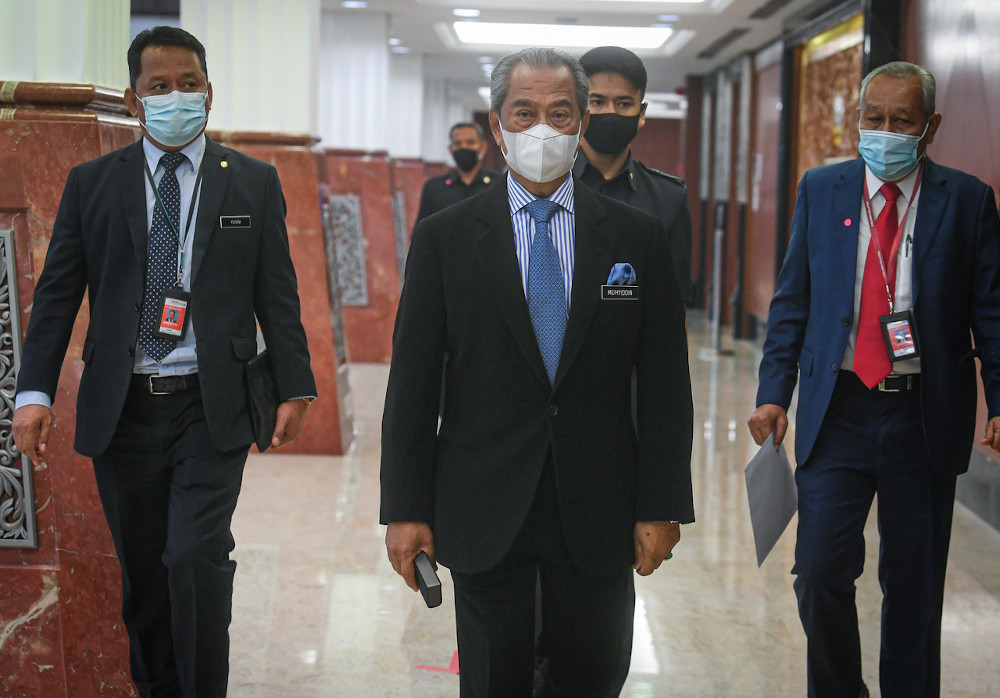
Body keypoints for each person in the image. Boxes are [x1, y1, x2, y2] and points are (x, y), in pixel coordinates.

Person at [12, 26, 316, 698]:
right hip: (123, 407)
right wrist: (32, 392)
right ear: (132, 98)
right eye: (159, 87)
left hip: (212, 403)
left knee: (194, 557)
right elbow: (57, 295)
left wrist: (296, 386)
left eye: (188, 85)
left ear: (208, 94)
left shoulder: (253, 182)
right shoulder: (92, 183)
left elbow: (278, 291)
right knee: (146, 573)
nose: (175, 97)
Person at [381, 47, 693, 697]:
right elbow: (412, 380)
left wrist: (663, 504)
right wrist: (405, 507)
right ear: (497, 125)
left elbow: (665, 382)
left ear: (581, 123)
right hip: (484, 501)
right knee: (495, 681)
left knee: (593, 677)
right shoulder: (445, 237)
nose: (542, 130)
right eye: (524, 113)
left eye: (560, 113)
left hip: (602, 507)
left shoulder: (636, 238)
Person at [748, 61, 1000, 698]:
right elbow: (792, 300)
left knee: (913, 586)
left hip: (922, 414)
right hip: (839, 410)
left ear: (930, 127)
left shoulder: (967, 200)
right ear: (856, 120)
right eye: (873, 118)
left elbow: (991, 310)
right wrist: (774, 392)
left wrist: (999, 400)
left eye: (902, 121)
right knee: (819, 572)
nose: (884, 132)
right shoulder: (823, 188)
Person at [573, 46, 693, 303]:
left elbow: (673, 302)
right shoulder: (548, 187)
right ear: (578, 109)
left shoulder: (668, 197)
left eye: (624, 103)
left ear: (641, 113)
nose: (610, 112)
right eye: (597, 102)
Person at [414, 121, 500, 225]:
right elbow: (421, 233)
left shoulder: (499, 185)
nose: (463, 147)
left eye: (470, 142)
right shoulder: (434, 188)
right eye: (457, 143)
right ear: (451, 149)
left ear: (483, 147)